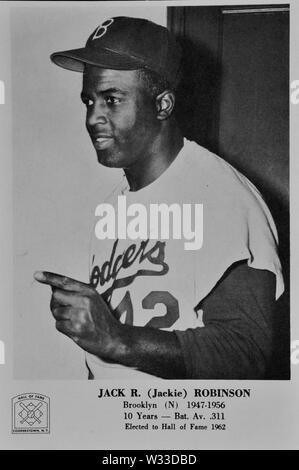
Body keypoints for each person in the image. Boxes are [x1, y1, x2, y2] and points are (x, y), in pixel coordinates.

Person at [34, 16, 284, 380]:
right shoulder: (113, 205)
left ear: (163, 104)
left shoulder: (221, 196)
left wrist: (118, 340)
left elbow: (246, 352)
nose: (92, 117)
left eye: (112, 100)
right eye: (89, 100)